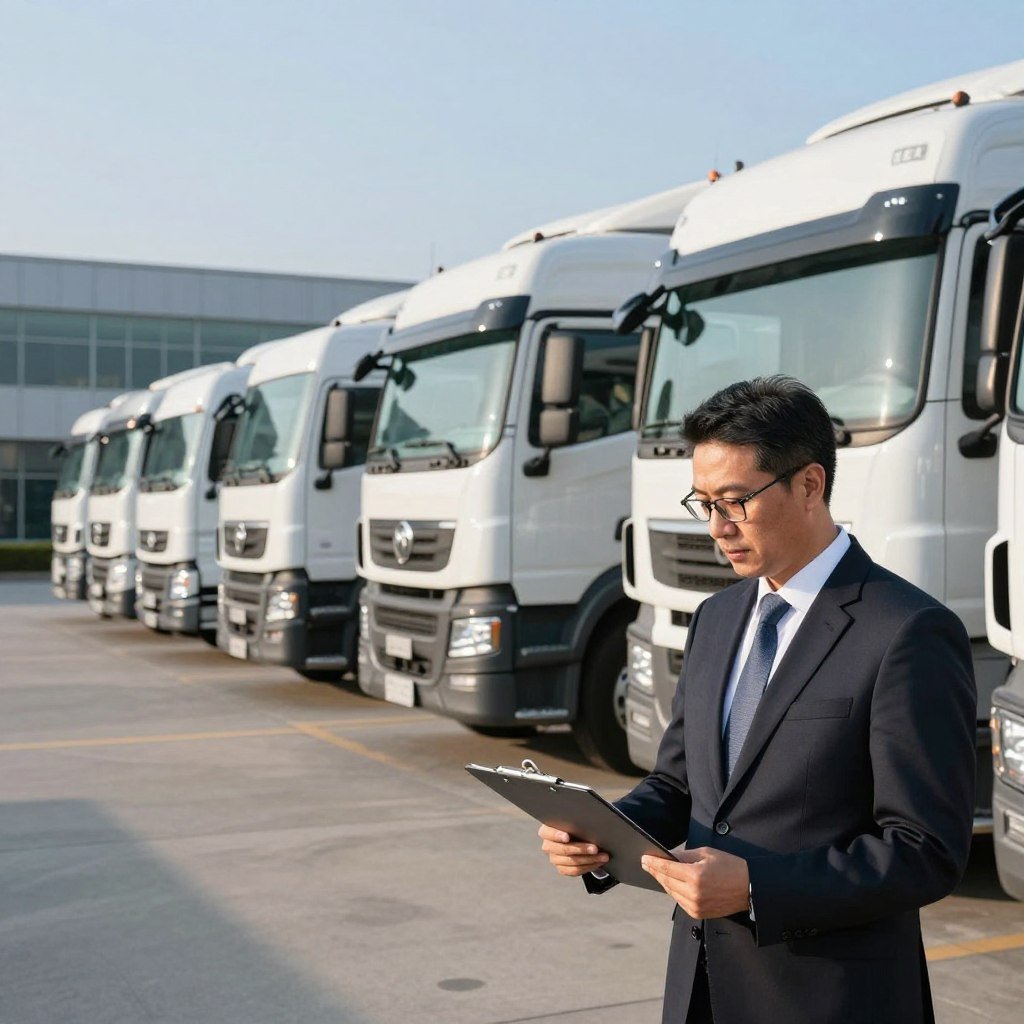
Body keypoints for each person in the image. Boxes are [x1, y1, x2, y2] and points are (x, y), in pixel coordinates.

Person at [539, 376, 976, 1023]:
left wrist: (754, 887)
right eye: (704, 502)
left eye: (736, 502)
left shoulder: (907, 631)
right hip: (702, 987)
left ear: (809, 485)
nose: (717, 527)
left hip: (831, 999)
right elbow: (679, 784)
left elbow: (925, 852)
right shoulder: (716, 616)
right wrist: (603, 834)